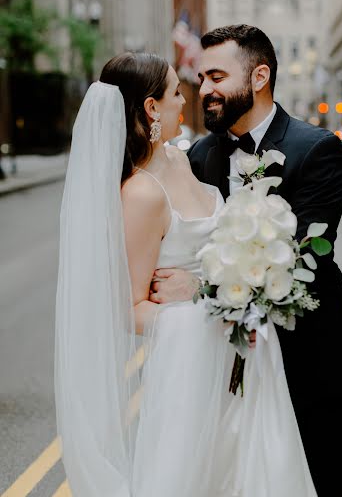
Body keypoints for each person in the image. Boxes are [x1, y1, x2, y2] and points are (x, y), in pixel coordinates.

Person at [55, 51, 317, 496]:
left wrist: (240, 294)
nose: (185, 100)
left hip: (243, 356)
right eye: (176, 92)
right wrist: (213, 308)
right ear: (152, 108)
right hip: (191, 368)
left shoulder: (182, 160)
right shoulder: (140, 194)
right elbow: (128, 310)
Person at [152, 25, 342, 497]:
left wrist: (197, 288)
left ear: (259, 75)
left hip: (307, 359)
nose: (204, 89)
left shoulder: (318, 150)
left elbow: (303, 261)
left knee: (323, 481)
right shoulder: (202, 156)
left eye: (216, 76)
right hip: (220, 364)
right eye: (201, 78)